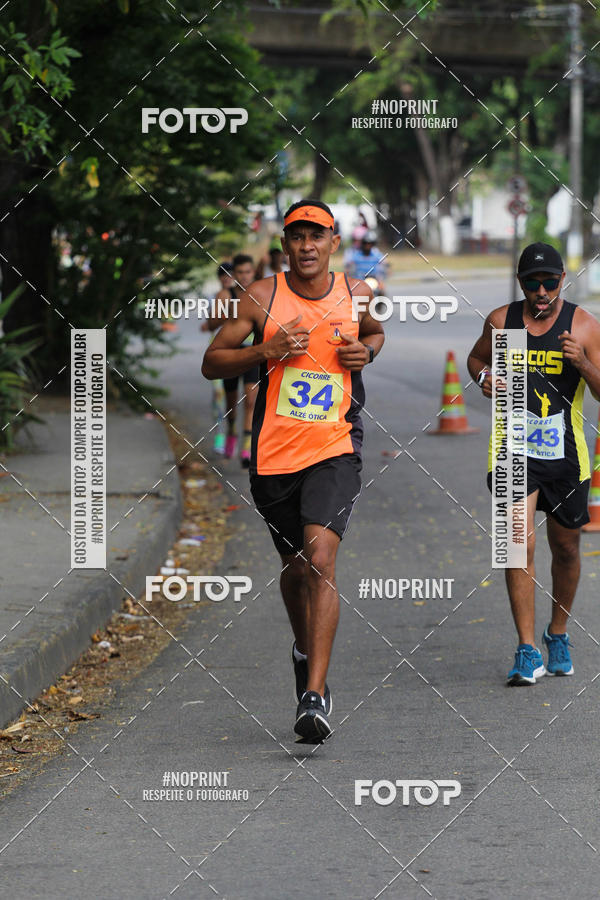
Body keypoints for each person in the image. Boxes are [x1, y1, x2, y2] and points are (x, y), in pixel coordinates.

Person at [202, 199, 384, 740]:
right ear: (285, 245)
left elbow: (374, 332)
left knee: (321, 556)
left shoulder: (358, 295)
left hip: (334, 446)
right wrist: (267, 349)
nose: (307, 245)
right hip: (274, 456)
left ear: (334, 244)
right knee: (296, 567)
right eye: (297, 236)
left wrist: (367, 353)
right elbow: (212, 361)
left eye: (317, 236)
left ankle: (315, 695)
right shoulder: (260, 298)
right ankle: (303, 650)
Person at [467, 242, 600, 685]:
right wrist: (485, 378)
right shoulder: (501, 322)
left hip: (565, 455)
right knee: (515, 542)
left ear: (563, 279)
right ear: (520, 283)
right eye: (532, 283)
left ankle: (556, 632)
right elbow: (476, 358)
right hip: (511, 449)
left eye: (550, 282)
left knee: (565, 548)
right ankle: (526, 648)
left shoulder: (581, 324)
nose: (541, 291)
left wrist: (582, 363)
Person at [212, 254, 260, 467]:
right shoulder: (225, 295)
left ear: (253, 272)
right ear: (234, 275)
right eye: (240, 273)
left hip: (252, 353)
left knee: (250, 401)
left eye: (248, 272)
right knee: (232, 403)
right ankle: (231, 431)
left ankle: (247, 449)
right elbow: (212, 323)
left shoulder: (261, 294)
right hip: (230, 354)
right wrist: (230, 312)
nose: (244, 276)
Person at [201, 261, 234, 455]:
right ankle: (220, 436)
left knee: (237, 399)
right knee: (218, 397)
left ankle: (233, 435)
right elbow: (211, 323)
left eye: (230, 275)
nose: (227, 278)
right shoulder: (217, 297)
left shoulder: (245, 297)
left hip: (237, 352)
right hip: (217, 353)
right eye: (224, 275)